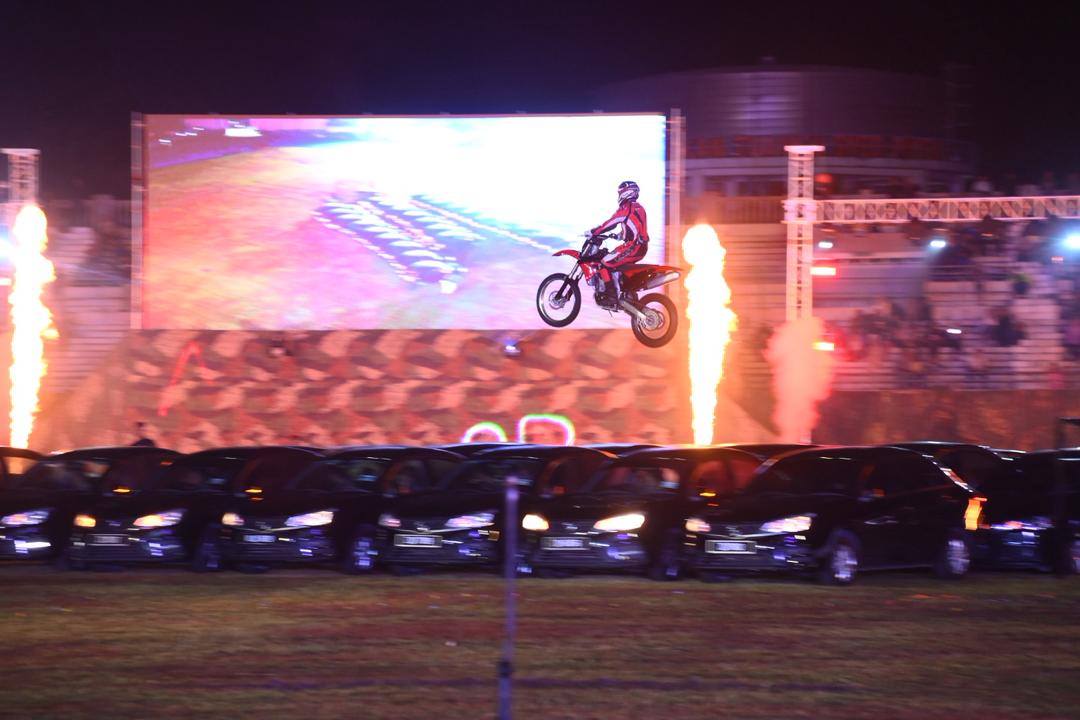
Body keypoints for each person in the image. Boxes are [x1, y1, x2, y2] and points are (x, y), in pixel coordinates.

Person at [588, 180, 649, 303]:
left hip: (634, 246)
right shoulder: (637, 207)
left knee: (604, 262)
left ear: (626, 193)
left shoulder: (627, 208)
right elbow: (634, 228)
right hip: (639, 245)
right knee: (615, 263)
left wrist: (594, 232)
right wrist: (617, 236)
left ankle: (611, 296)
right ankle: (627, 293)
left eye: (620, 193)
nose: (619, 195)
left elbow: (610, 223)